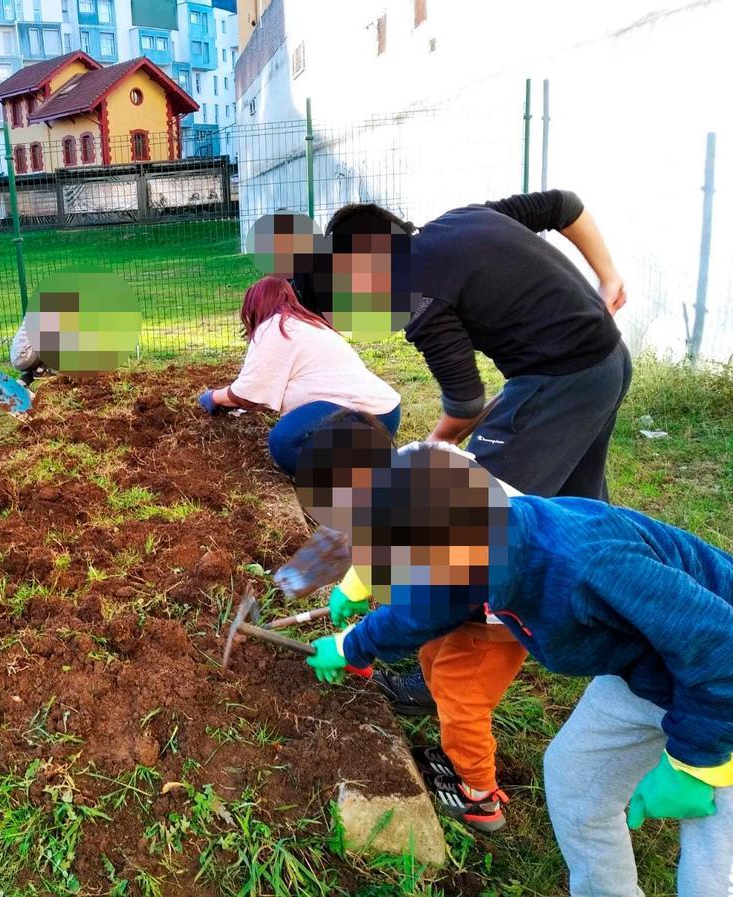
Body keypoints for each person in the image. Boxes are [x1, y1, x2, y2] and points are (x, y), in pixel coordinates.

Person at [316, 191, 633, 827]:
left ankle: (455, 666)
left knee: (468, 533)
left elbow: (464, 403)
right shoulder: (465, 218)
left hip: (555, 387)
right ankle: (595, 626)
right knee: (569, 522)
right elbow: (564, 204)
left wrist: (422, 463)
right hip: (606, 363)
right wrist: (608, 276)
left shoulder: (417, 294)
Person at [304, 443, 732, 895]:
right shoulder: (480, 547)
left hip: (720, 684)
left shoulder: (587, 565)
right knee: (575, 783)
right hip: (647, 674)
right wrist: (353, 643)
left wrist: (694, 764)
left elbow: (721, 648)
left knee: (713, 864)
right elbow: (428, 606)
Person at [197, 276, 402, 477]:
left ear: (254, 307)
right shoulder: (310, 323)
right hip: (386, 416)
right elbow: (264, 392)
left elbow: (247, 394)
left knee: (284, 442)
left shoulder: (274, 327)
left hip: (355, 412)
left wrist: (214, 397)